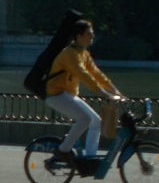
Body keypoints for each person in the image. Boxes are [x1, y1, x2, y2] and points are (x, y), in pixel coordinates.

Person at [45, 19, 125, 162]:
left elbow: (96, 74)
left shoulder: (84, 54)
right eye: (89, 34)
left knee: (96, 121)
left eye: (92, 34)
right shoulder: (70, 54)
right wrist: (104, 93)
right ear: (78, 36)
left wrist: (115, 91)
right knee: (85, 119)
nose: (92, 37)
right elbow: (84, 75)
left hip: (68, 94)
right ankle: (62, 150)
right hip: (56, 94)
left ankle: (90, 157)